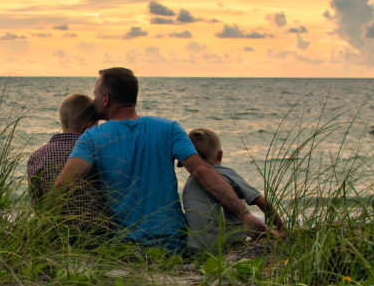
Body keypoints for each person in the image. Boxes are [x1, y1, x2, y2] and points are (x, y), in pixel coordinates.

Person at [54, 67, 277, 253]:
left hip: (125, 247)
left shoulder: (91, 138)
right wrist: (244, 214)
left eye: (95, 95)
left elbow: (63, 185)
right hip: (174, 245)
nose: (93, 101)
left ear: (106, 98)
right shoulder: (169, 128)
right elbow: (203, 172)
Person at [182, 127, 286, 255]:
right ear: (220, 155)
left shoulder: (189, 183)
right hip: (230, 246)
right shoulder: (227, 174)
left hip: (196, 250)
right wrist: (282, 228)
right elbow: (261, 201)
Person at [28, 93, 113, 236]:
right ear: (90, 126)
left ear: (62, 120)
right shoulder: (100, 153)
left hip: (53, 237)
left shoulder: (37, 156)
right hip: (98, 239)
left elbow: (37, 206)